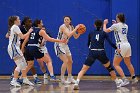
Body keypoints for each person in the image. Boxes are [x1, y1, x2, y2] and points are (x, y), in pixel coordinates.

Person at [73, 19, 123, 90]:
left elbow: (88, 44)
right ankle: (117, 83)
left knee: (83, 69)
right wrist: (116, 48)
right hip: (101, 52)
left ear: (94, 25)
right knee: (109, 68)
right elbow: (110, 42)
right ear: (102, 25)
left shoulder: (91, 33)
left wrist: (92, 49)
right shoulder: (104, 33)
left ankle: (76, 83)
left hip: (92, 52)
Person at [103, 13, 138, 86]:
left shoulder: (115, 26)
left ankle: (125, 79)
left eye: (116, 18)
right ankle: (134, 78)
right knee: (128, 63)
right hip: (127, 45)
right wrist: (115, 24)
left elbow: (105, 31)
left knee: (115, 64)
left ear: (118, 18)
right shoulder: (126, 26)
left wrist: (104, 23)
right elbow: (119, 30)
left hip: (120, 46)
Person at [7, 16, 34, 87]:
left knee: (24, 64)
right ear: (15, 21)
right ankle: (14, 80)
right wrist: (29, 32)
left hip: (15, 47)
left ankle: (25, 79)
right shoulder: (15, 27)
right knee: (20, 64)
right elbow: (22, 37)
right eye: (18, 19)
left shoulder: (13, 27)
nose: (20, 20)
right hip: (13, 47)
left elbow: (7, 35)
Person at [54, 16, 80, 84]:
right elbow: (68, 34)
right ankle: (62, 78)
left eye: (67, 19)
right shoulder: (62, 27)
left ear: (70, 21)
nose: (66, 20)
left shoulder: (71, 27)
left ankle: (69, 77)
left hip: (65, 45)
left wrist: (80, 32)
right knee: (65, 60)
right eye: (65, 19)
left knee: (70, 61)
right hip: (59, 44)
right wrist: (76, 28)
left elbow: (76, 37)